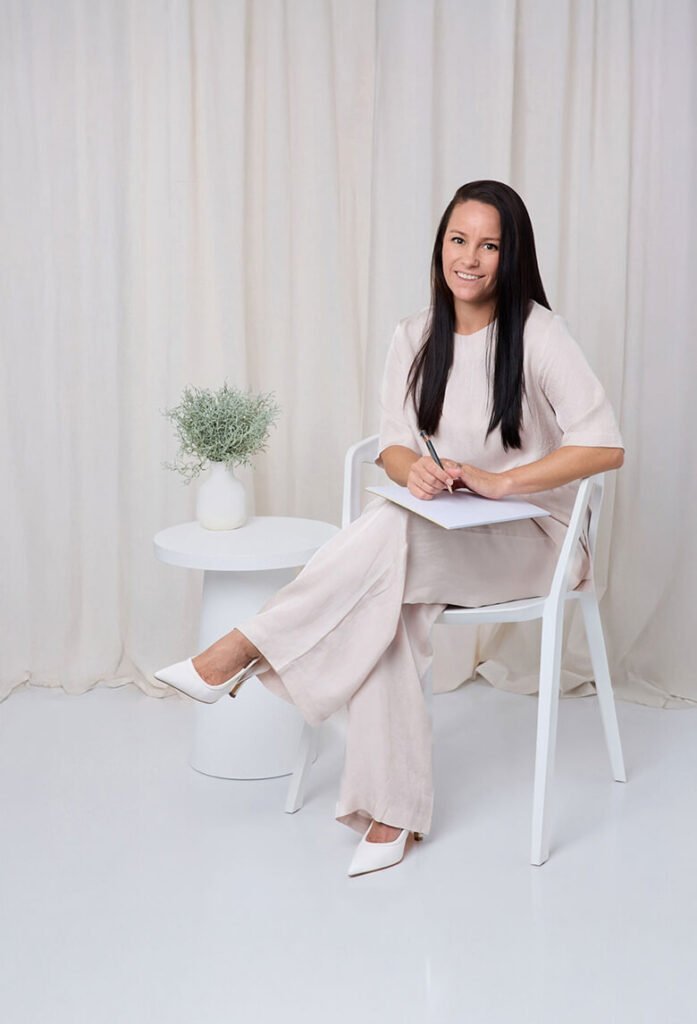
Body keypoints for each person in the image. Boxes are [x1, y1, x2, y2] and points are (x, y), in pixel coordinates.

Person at [155, 180, 624, 877]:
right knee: (390, 589)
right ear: (441, 245)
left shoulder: (536, 332)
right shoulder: (413, 336)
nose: (470, 258)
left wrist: (500, 480)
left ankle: (241, 651)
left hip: (535, 544)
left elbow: (604, 446)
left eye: (489, 244)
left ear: (511, 254)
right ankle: (393, 810)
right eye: (458, 240)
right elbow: (393, 444)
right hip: (446, 533)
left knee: (386, 540)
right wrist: (418, 475)